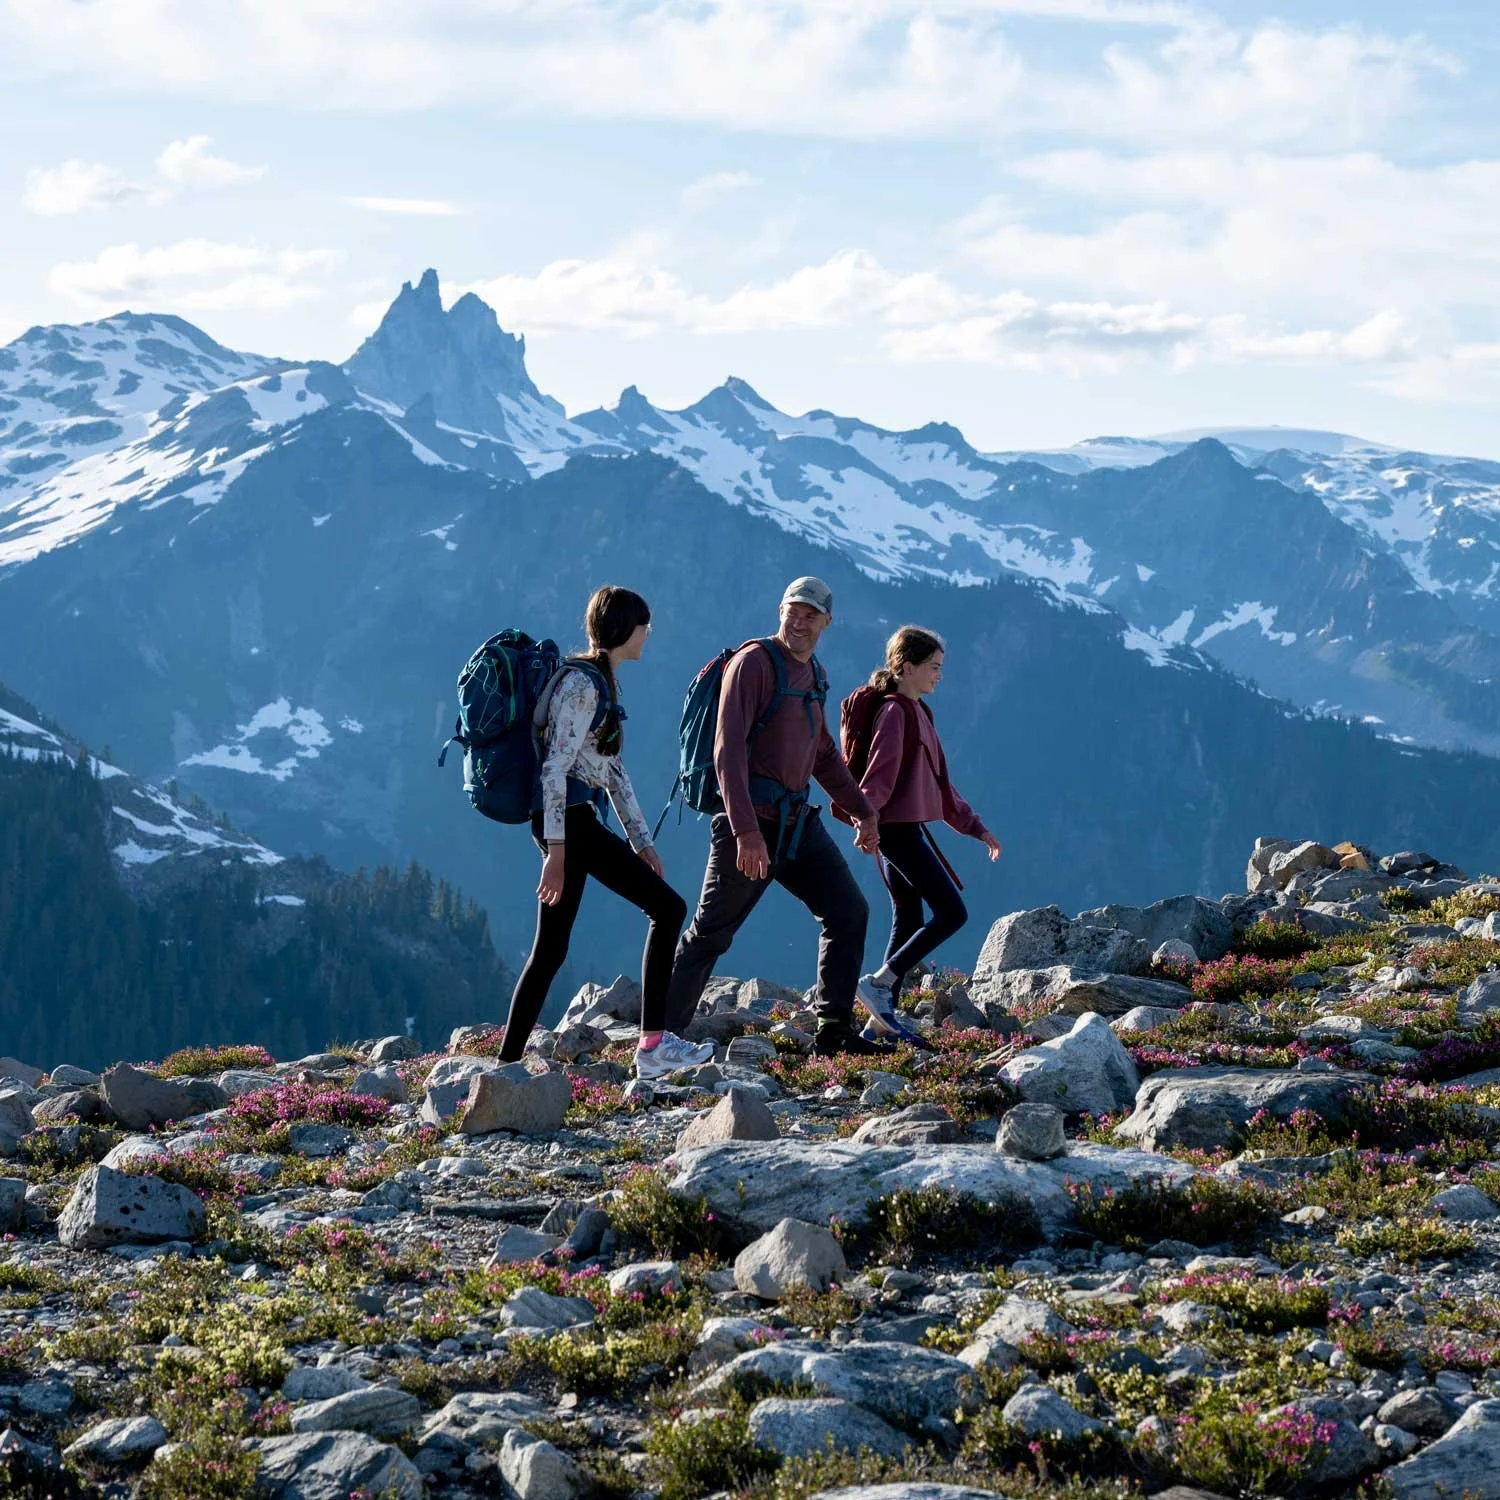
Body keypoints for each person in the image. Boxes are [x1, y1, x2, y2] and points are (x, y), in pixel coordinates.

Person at [665, 576, 890, 1056]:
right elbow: (727, 753)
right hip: (750, 825)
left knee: (849, 912)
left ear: (827, 623)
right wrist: (745, 832)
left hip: (796, 826)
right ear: (780, 610)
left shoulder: (815, 675)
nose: (800, 621)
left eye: (811, 615)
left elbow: (824, 754)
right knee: (710, 932)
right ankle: (660, 1038)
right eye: (793, 610)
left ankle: (833, 1031)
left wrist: (863, 812)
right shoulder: (754, 664)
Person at [498, 586, 711, 1080]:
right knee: (669, 908)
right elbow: (555, 769)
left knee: (550, 950)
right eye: (643, 625)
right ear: (623, 630)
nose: (648, 634)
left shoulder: (601, 682)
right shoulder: (583, 687)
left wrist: (642, 842)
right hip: (569, 824)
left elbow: (611, 770)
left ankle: (505, 1066)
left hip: (570, 823)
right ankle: (654, 1045)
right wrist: (556, 850)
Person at [851, 625, 1001, 1040]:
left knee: (909, 917)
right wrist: (866, 820)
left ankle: (877, 1023)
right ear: (907, 666)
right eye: (933, 667)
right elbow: (878, 775)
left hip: (905, 827)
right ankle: (878, 985)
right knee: (952, 913)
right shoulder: (895, 713)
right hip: (897, 832)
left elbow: (939, 784)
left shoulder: (919, 712)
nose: (939, 675)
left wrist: (975, 827)